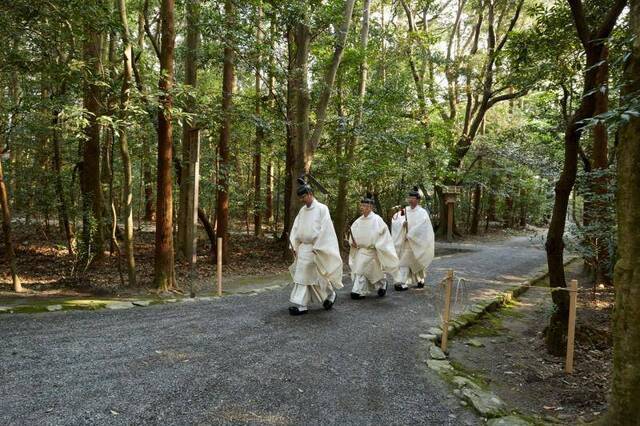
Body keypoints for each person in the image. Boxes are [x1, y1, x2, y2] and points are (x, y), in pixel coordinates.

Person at [288, 177, 343, 315]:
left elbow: (326, 229)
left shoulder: (322, 209)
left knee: (312, 275)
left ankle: (307, 302)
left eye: (304, 197)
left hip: (316, 247)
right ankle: (319, 298)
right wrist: (294, 245)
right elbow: (296, 228)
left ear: (310, 194)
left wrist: (319, 246)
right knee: (308, 276)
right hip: (303, 248)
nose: (302, 200)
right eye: (300, 197)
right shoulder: (302, 211)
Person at [348, 193, 399, 299]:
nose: (363, 208)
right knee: (363, 269)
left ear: (371, 207)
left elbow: (385, 234)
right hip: (361, 250)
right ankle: (369, 287)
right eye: (362, 206)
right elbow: (352, 235)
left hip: (373, 251)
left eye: (366, 206)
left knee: (365, 269)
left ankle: (359, 290)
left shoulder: (377, 219)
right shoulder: (358, 221)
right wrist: (351, 242)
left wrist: (379, 245)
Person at [392, 186, 435, 291]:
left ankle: (418, 279)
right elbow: (395, 219)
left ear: (418, 200)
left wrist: (411, 234)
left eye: (413, 198)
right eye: (409, 198)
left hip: (416, 242)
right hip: (406, 242)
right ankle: (402, 282)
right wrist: (402, 223)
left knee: (416, 262)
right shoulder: (404, 211)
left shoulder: (422, 213)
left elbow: (423, 227)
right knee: (405, 261)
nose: (410, 200)